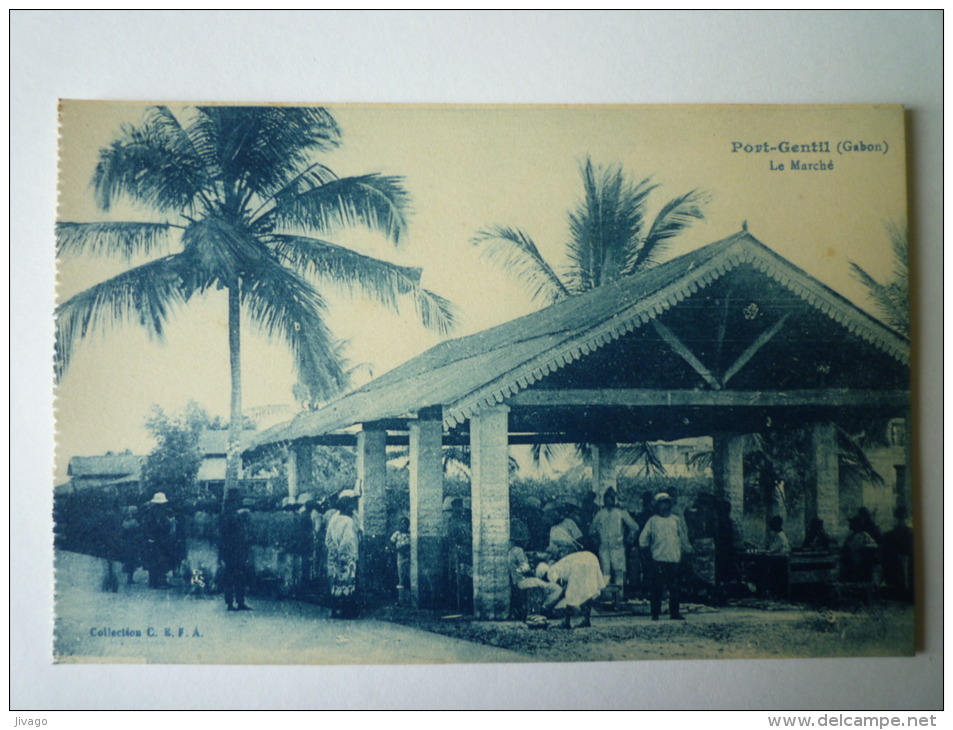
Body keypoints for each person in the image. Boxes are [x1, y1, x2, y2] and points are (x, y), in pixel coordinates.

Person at [639, 492, 691, 621]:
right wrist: (647, 551)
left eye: (667, 503)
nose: (665, 506)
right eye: (662, 503)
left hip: (674, 558)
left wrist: (687, 550)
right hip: (658, 558)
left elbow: (682, 537)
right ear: (657, 505)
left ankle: (675, 612)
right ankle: (655, 613)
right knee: (657, 588)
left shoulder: (676, 520)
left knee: (674, 587)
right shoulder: (653, 520)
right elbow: (643, 539)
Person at [588, 488, 638, 605]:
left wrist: (629, 538)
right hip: (604, 547)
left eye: (610, 498)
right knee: (605, 573)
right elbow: (591, 530)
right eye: (606, 498)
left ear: (614, 499)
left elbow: (634, 527)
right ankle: (607, 599)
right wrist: (596, 539)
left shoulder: (621, 513)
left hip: (618, 547)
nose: (607, 500)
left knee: (619, 572)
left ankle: (619, 600)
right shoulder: (600, 513)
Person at [508, 519, 561, 619]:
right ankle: (545, 608)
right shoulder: (518, 551)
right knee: (556, 589)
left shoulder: (512, 551)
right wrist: (535, 575)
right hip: (524, 581)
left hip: (518, 582)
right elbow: (525, 569)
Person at [543, 550, 607, 629]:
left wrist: (554, 602)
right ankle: (586, 620)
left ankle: (566, 622)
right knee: (588, 590)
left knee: (571, 594)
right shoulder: (560, 564)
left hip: (579, 563)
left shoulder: (550, 571)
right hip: (591, 557)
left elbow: (564, 588)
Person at [325, 490, 361, 618]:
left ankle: (335, 611)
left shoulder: (333, 520)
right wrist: (342, 552)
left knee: (336, 583)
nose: (353, 507)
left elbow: (328, 539)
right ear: (347, 506)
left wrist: (335, 550)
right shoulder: (348, 521)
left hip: (335, 556)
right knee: (349, 583)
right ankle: (347, 611)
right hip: (348, 556)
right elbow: (348, 539)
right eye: (351, 505)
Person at [219, 491, 253, 611]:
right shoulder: (232, 517)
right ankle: (235, 602)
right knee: (235, 577)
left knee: (234, 577)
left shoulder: (227, 516)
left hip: (232, 552)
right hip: (234, 552)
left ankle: (235, 602)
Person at [142, 492, 175, 588]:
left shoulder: (150, 512)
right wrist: (169, 523)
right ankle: (161, 582)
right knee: (161, 561)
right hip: (160, 540)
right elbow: (160, 526)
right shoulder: (159, 513)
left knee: (153, 561)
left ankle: (153, 582)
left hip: (152, 539)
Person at [765, 515, 791, 598]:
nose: (770, 526)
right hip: (779, 558)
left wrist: (767, 551)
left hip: (781, 560)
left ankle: (775, 592)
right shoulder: (778, 534)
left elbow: (772, 549)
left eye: (772, 524)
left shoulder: (780, 535)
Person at [390, 515, 411, 604]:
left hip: (409, 556)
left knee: (409, 576)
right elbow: (390, 543)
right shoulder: (397, 534)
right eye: (402, 524)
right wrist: (396, 549)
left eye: (406, 524)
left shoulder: (410, 534)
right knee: (401, 577)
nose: (404, 525)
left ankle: (409, 599)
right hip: (401, 556)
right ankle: (401, 599)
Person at [119, 505, 141, 585]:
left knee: (129, 559)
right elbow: (137, 529)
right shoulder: (134, 521)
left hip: (127, 542)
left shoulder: (125, 520)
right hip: (132, 542)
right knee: (132, 560)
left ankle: (129, 577)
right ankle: (130, 578)